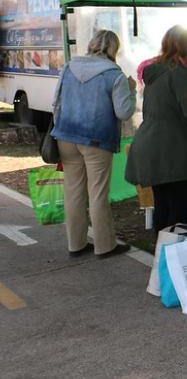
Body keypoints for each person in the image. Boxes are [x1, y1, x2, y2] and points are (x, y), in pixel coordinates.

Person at [51, 29, 135, 258]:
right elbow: (124, 112)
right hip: (97, 141)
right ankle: (105, 246)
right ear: (114, 49)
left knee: (73, 192)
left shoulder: (68, 67)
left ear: (91, 44)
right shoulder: (115, 75)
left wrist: (61, 129)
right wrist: (132, 90)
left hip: (66, 137)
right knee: (97, 193)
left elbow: (55, 103)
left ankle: (76, 245)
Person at [125, 26, 187, 235]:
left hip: (152, 148)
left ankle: (161, 252)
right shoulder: (178, 73)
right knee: (178, 212)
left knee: (163, 208)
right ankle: (171, 253)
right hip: (174, 153)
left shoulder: (156, 73)